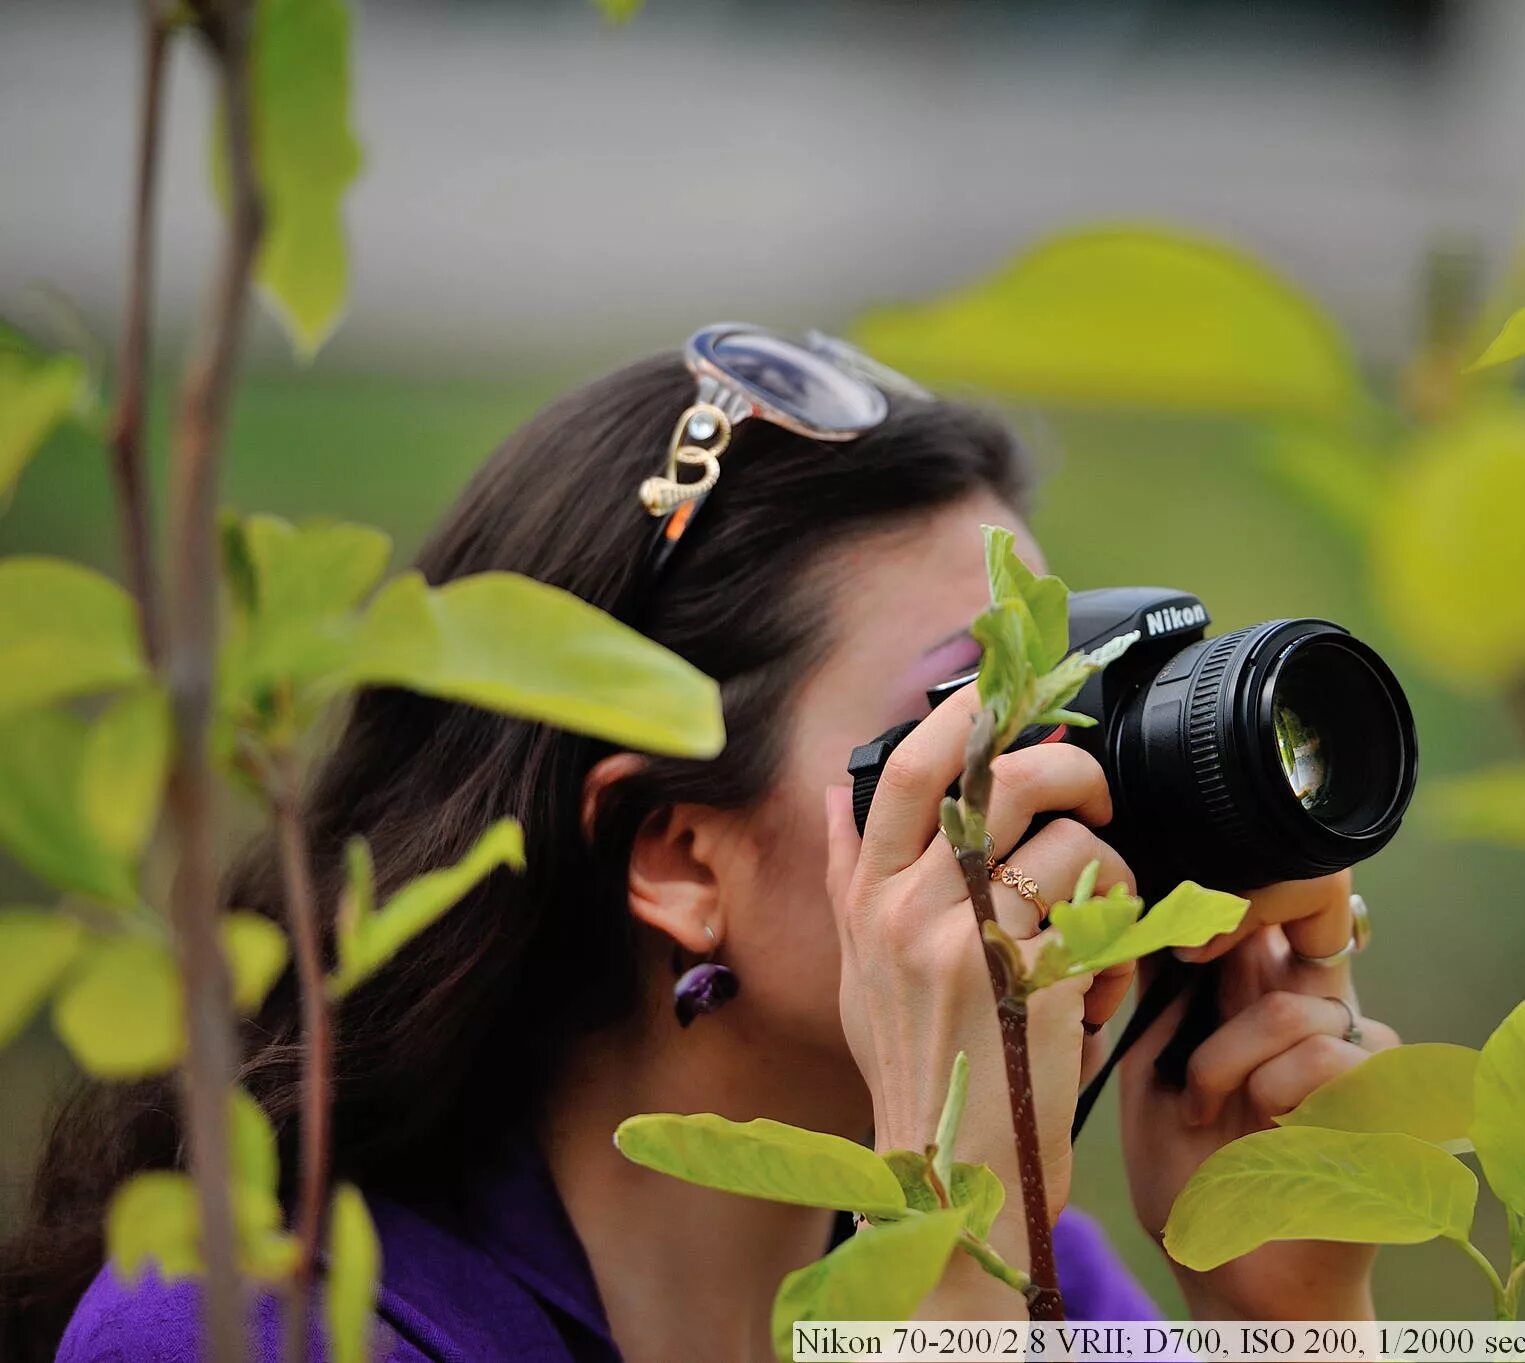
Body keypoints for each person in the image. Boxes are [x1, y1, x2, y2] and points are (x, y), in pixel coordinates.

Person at [4, 328, 1397, 1363]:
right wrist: (954, 1269)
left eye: (1064, 699)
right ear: (677, 856)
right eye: (972, 721)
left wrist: (1291, 1318)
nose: (1061, 788)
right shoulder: (255, 1325)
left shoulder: (1062, 1287)